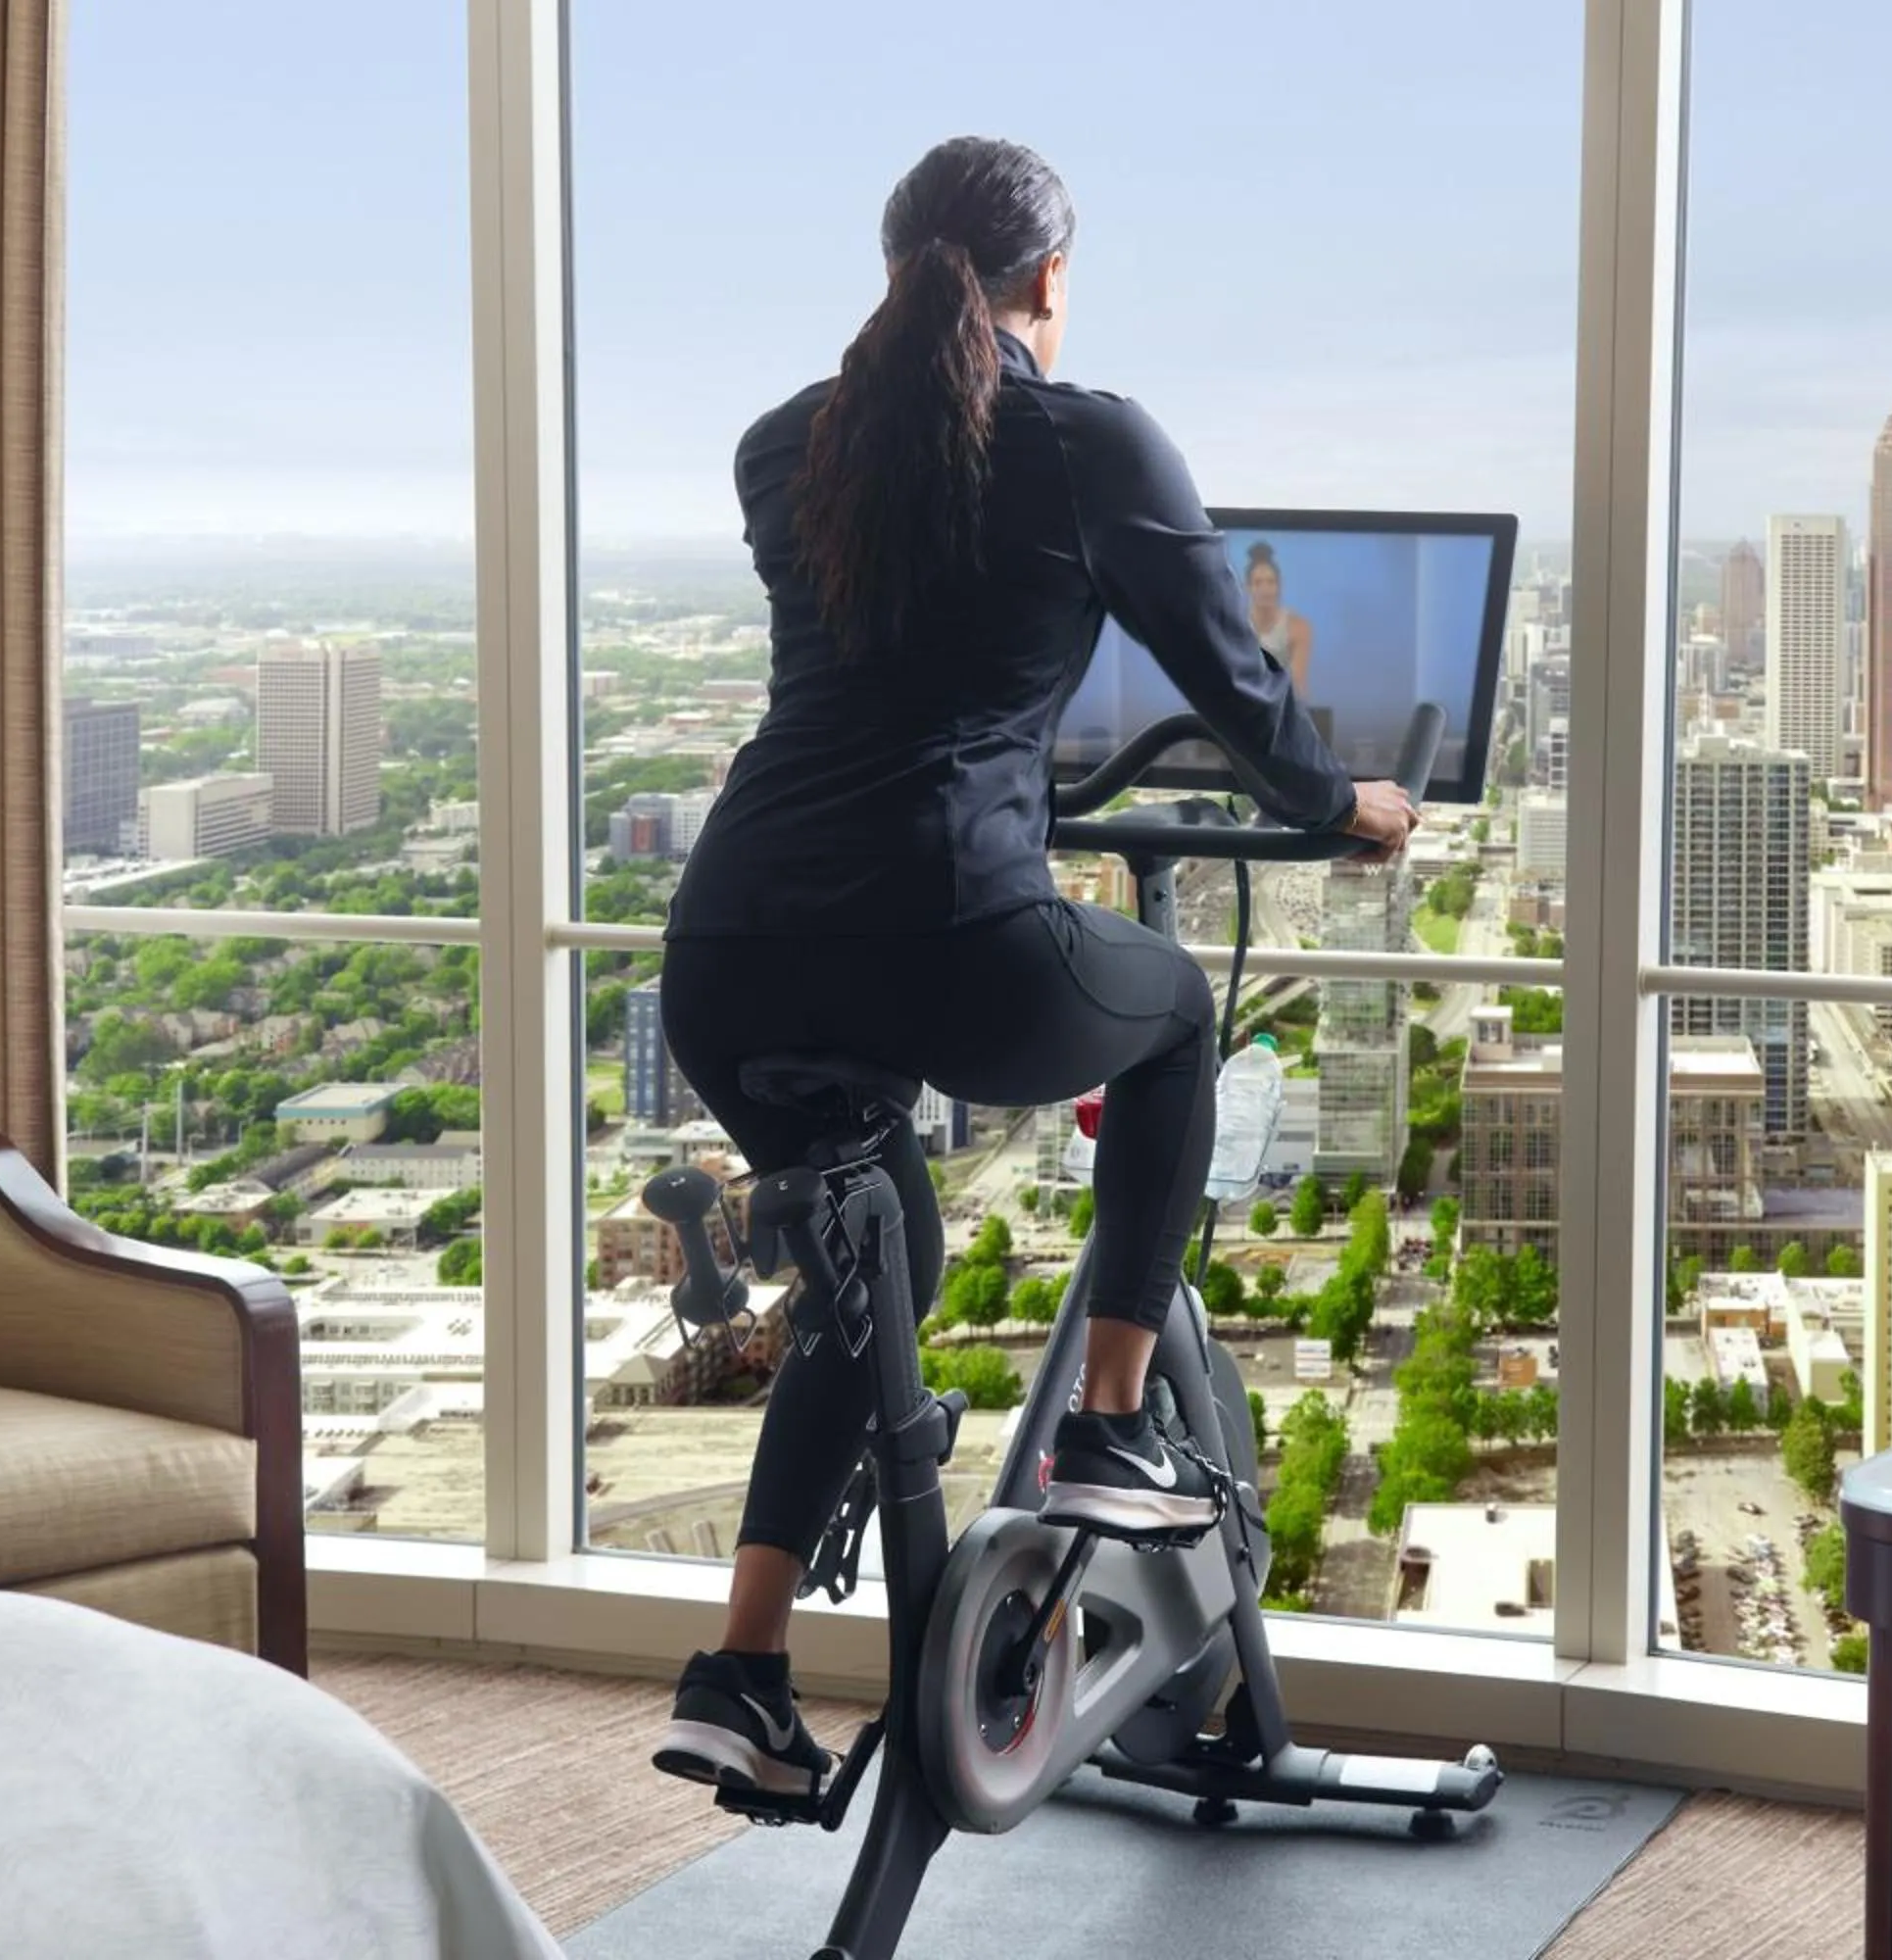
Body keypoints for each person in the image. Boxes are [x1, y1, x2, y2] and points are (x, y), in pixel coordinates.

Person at [650, 137, 1421, 1804]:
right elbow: (1232, 680)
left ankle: (746, 1665)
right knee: (1177, 1020)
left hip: (727, 948)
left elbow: (881, 666)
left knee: (882, 1264)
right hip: (943, 938)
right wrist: (1339, 806)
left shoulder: (785, 448)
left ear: (890, 268)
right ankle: (1113, 1427)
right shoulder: (1089, 440)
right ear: (1050, 281)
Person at [1241, 541, 1314, 694]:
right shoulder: (1236, 627)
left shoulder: (1297, 627)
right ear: (1248, 587)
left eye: (1271, 582)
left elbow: (1297, 684)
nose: (1265, 589)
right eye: (1258, 583)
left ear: (1279, 586)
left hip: (1284, 709)